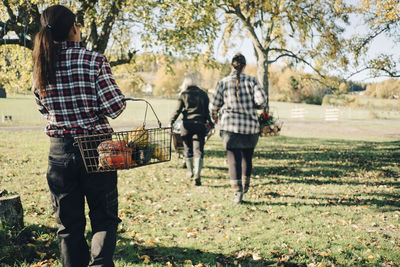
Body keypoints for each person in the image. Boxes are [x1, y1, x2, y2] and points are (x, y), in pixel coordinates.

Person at [32, 5, 126, 267]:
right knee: (104, 219)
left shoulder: (41, 63)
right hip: (97, 150)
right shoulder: (94, 60)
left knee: (68, 225)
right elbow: (115, 107)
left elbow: (42, 106)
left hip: (60, 153)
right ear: (74, 28)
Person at [210, 53, 267, 204]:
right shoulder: (253, 81)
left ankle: (237, 193)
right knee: (247, 158)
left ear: (231, 66)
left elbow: (214, 105)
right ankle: (246, 185)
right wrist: (252, 106)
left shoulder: (223, 82)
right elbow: (262, 101)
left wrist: (214, 116)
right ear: (245, 66)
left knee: (233, 160)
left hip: (229, 127)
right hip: (250, 128)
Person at [170, 75, 214, 186]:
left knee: (188, 148)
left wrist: (171, 122)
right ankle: (197, 174)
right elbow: (207, 113)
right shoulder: (204, 94)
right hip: (200, 125)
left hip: (187, 125)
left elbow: (177, 111)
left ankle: (190, 172)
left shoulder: (184, 94)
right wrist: (211, 124)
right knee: (198, 150)